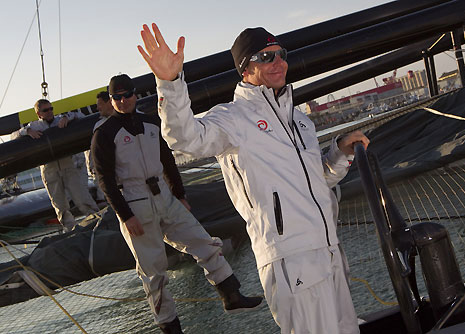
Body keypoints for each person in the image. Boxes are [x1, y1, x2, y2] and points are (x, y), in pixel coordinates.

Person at [138, 24, 370, 333]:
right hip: (290, 260)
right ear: (245, 69)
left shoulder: (300, 121)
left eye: (281, 54)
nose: (278, 62)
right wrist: (169, 82)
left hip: (329, 251)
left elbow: (317, 182)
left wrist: (340, 153)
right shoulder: (234, 118)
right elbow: (185, 138)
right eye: (266, 56)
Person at [91, 74, 263, 334]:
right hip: (134, 202)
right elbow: (105, 180)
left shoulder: (151, 123)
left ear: (136, 94)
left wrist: (180, 194)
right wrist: (126, 216)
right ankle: (171, 328)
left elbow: (168, 161)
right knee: (154, 272)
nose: (123, 101)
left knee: (204, 242)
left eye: (127, 95)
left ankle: (231, 294)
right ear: (111, 100)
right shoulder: (104, 134)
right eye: (117, 97)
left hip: (165, 196)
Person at [16, 99, 99, 232]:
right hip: (49, 169)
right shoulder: (34, 126)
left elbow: (81, 117)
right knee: (60, 204)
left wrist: (67, 117)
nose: (50, 112)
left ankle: (97, 221)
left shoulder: (60, 120)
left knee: (81, 197)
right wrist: (28, 131)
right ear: (38, 113)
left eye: (51, 109)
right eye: (45, 110)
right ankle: (70, 230)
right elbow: (14, 135)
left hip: (67, 164)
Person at [84, 91, 115, 205]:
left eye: (100, 104)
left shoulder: (126, 119)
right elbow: (95, 151)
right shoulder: (99, 127)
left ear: (109, 103)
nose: (97, 108)